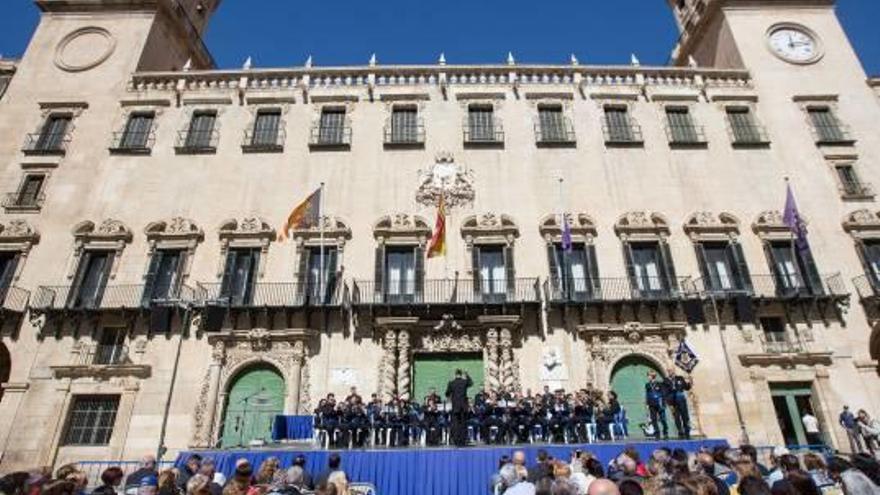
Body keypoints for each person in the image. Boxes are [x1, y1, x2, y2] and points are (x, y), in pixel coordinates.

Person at [445, 369, 473, 447]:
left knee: (456, 424)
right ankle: (463, 441)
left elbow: (447, 393)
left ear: (455, 374)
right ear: (461, 374)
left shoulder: (451, 383)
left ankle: (456, 441)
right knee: (463, 424)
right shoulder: (464, 382)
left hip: (455, 407)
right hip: (463, 407)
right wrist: (467, 375)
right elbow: (471, 383)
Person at [665, 367, 693, 440]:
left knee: (685, 417)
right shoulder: (666, 381)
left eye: (671, 370)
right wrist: (669, 404)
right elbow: (665, 393)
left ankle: (687, 432)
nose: (670, 372)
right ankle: (680, 433)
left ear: (674, 371)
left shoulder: (680, 378)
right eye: (668, 371)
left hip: (681, 400)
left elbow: (686, 387)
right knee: (677, 417)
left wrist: (690, 382)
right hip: (673, 401)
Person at [645, 371, 669, 440]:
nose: (648, 377)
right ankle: (657, 433)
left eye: (649, 375)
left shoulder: (659, 384)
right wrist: (647, 403)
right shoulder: (647, 385)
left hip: (659, 403)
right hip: (651, 404)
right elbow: (647, 394)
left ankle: (665, 432)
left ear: (653, 376)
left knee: (663, 419)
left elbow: (663, 394)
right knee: (653, 419)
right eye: (648, 376)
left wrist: (664, 404)